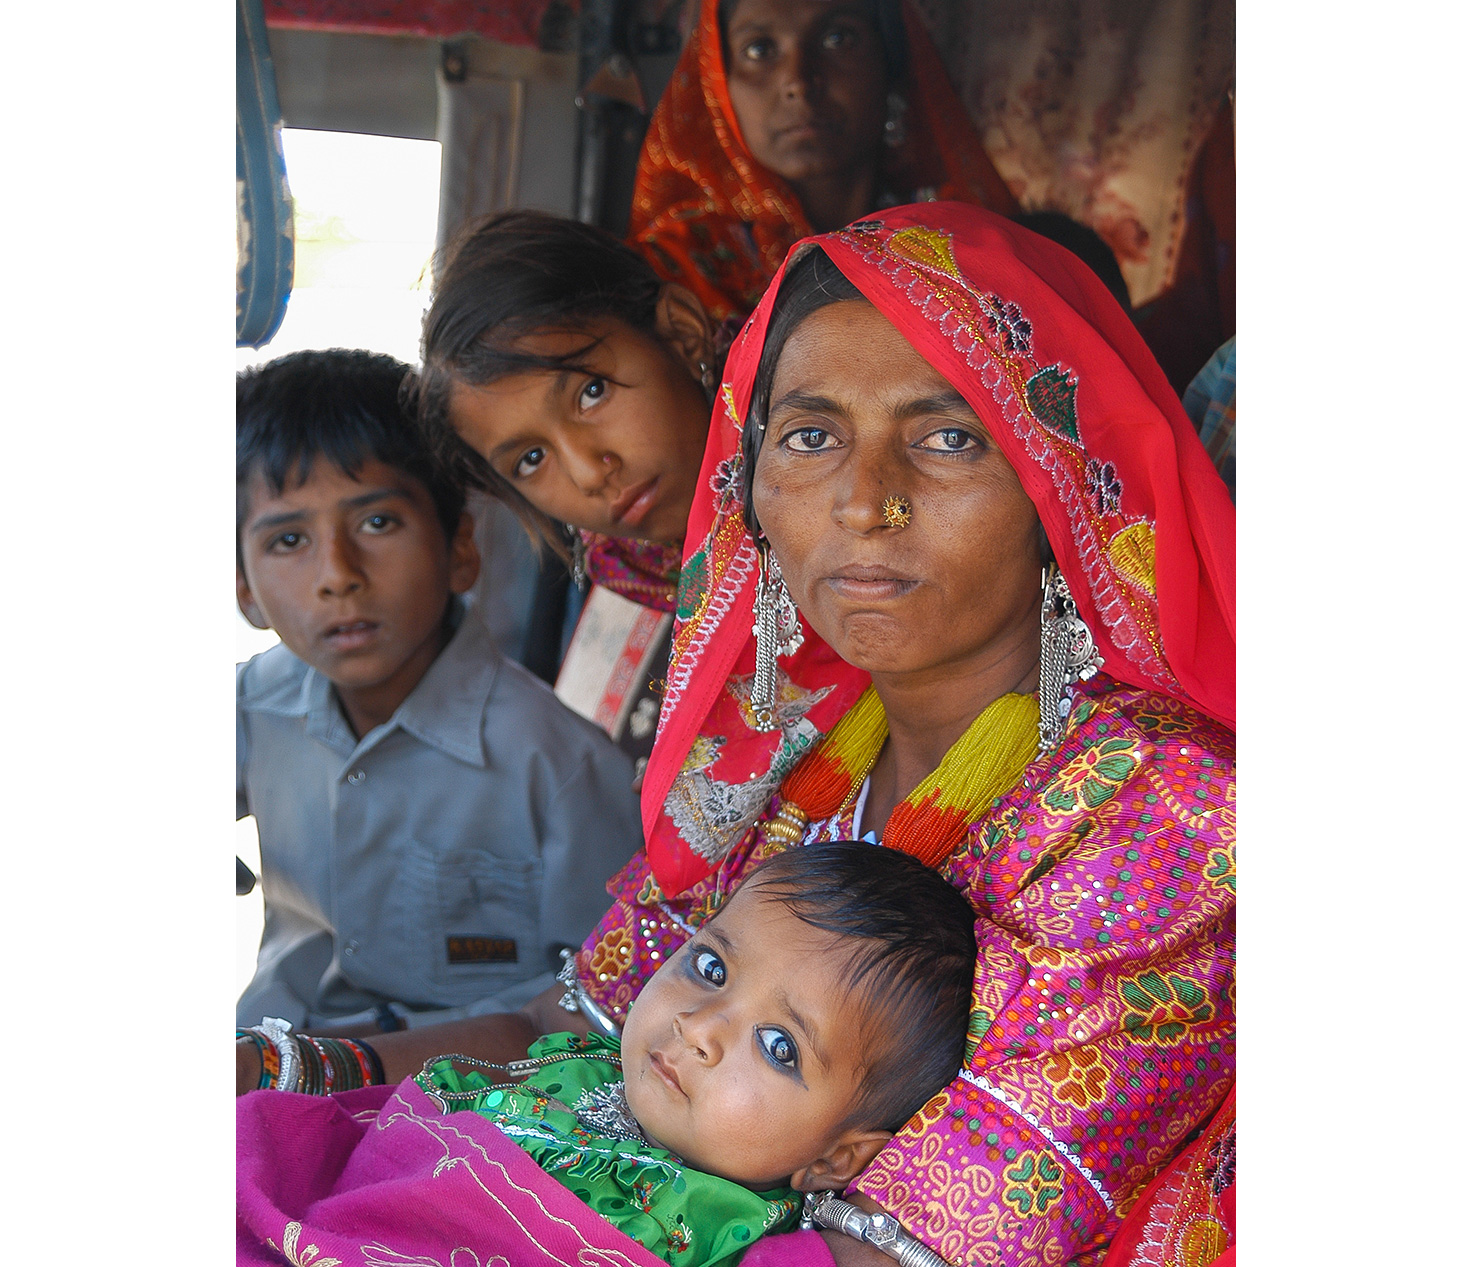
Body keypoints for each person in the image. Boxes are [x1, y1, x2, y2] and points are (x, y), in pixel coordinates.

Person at [239, 204, 1235, 1267]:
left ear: (1058, 475)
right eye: (809, 436)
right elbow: (566, 1026)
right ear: (750, 481)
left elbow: (899, 1252)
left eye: (948, 437)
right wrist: (283, 1071)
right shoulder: (782, 757)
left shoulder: (1169, 814)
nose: (864, 503)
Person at [238, 844, 977, 1267]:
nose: (698, 1025)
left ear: (837, 1161)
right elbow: (340, 1143)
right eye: (712, 968)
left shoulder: (747, 1235)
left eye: (778, 1045)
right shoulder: (568, 1061)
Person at [235, 349, 645, 1038]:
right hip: (269, 1061)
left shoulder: (562, 767)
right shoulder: (253, 704)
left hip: (464, 1094)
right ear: (242, 587)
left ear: (460, 548)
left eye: (377, 523)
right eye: (288, 539)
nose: (337, 574)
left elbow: (614, 997)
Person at [417, 210, 722, 756]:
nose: (588, 471)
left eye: (591, 393)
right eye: (532, 459)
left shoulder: (844, 493)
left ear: (681, 332)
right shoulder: (630, 596)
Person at [627, 0, 1019, 323]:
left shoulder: (963, 250)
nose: (798, 80)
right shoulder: (669, 276)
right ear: (715, 83)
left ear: (892, 64)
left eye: (838, 38)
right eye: (759, 49)